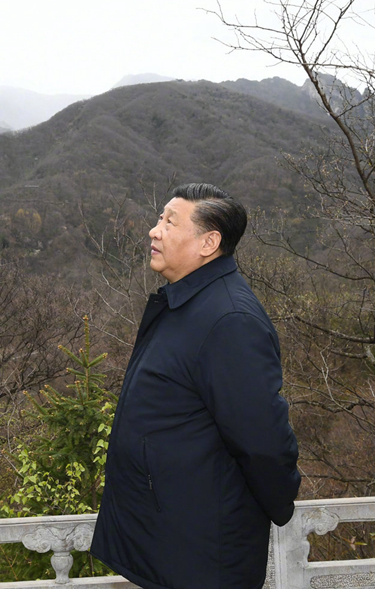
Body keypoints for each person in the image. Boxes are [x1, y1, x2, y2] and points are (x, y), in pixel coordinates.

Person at [90, 183, 301, 589]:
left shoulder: (229, 320)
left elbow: (262, 439)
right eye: (159, 218)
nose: (154, 230)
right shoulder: (184, 304)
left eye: (170, 222)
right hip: (170, 537)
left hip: (203, 551)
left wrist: (280, 502)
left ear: (209, 243)